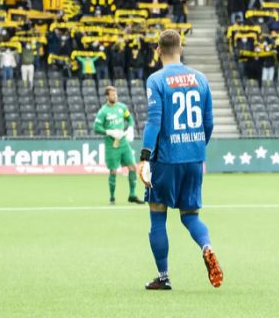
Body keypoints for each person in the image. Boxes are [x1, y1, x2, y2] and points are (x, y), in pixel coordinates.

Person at [138, 30, 222, 290]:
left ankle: (163, 277)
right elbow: (209, 122)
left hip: (167, 159)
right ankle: (206, 246)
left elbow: (154, 121)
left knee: (157, 217)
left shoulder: (156, 80)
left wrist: (145, 157)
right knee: (190, 216)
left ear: (158, 50)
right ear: (181, 48)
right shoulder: (201, 79)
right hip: (194, 158)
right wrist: (197, 147)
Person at [93, 86, 144, 205]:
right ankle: (112, 197)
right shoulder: (103, 111)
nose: (114, 96)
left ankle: (132, 195)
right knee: (113, 171)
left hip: (123, 142)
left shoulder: (122, 107)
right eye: (112, 94)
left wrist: (130, 128)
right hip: (112, 145)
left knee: (133, 167)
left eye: (115, 94)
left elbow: (130, 119)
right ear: (107, 96)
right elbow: (96, 128)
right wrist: (108, 132)